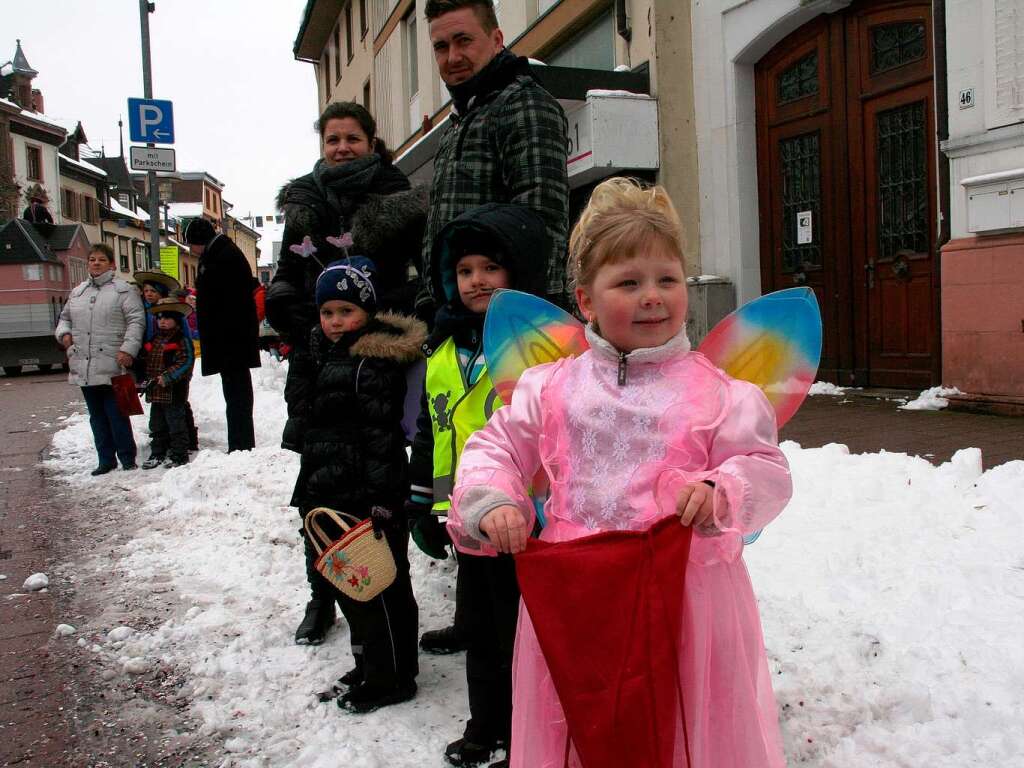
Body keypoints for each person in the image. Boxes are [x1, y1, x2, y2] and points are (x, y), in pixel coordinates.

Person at [448, 178, 794, 768]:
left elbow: (766, 468)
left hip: (686, 603)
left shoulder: (719, 396)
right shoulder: (552, 388)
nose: (652, 297)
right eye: (628, 283)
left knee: (679, 731)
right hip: (578, 601)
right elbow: (497, 445)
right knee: (581, 729)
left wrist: (721, 490)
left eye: (667, 279)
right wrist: (493, 499)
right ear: (586, 300)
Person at [269, 100, 428, 644]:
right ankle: (322, 594)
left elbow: (417, 275)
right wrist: (299, 315)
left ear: (371, 142)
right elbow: (288, 272)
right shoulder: (304, 202)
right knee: (319, 483)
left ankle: (378, 587)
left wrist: (377, 315)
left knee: (372, 476)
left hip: (377, 355)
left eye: (351, 139)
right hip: (319, 353)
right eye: (332, 139)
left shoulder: (396, 196)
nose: (341, 148)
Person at [407, 203, 547, 767]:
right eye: (465, 271)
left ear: (516, 274)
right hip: (468, 522)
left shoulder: (538, 347)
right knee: (482, 632)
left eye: (490, 267)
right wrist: (423, 503)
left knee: (521, 633)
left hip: (526, 522)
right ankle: (485, 723)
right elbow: (431, 431)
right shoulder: (442, 350)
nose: (477, 281)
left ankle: (526, 731)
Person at [287, 257, 425, 712]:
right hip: (330, 487)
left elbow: (380, 437)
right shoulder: (326, 353)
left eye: (346, 311)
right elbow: (309, 421)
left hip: (368, 496)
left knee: (382, 590)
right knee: (353, 588)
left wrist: (382, 501)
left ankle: (393, 677)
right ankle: (371, 664)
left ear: (366, 311)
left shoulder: (373, 361)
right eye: (327, 313)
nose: (334, 322)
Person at [419, 0, 569, 318]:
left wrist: (525, 320)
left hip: (506, 322)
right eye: (441, 47)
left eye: (464, 40)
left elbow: (542, 225)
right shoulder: (461, 120)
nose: (453, 57)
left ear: (497, 39)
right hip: (460, 317)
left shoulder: (522, 103)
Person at [55, 244, 145, 475]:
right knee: (97, 417)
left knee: (117, 414)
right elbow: (64, 318)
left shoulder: (124, 291)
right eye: (92, 259)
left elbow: (136, 322)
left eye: (101, 260)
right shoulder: (78, 293)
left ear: (112, 264)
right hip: (84, 363)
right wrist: (64, 335)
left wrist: (128, 350)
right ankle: (105, 459)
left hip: (114, 362)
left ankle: (126, 457)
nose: (96, 263)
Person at [185, 217, 261, 452]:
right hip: (232, 339)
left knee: (237, 395)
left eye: (191, 245)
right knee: (236, 393)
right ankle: (239, 443)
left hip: (231, 339)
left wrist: (199, 301)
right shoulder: (222, 253)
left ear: (199, 241)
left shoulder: (221, 256)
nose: (191, 251)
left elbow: (224, 299)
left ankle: (241, 444)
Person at [136, 271, 200, 452]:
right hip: (157, 368)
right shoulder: (148, 311)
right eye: (146, 290)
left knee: (177, 410)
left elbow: (185, 349)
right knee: (161, 414)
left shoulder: (174, 315)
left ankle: (184, 444)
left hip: (174, 369)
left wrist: (179, 372)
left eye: (153, 291)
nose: (148, 294)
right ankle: (163, 445)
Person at [139, 298, 195, 469]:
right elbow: (146, 361)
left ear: (176, 320)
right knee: (156, 424)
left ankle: (180, 454)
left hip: (173, 391)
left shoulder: (181, 340)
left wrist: (168, 377)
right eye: (160, 318)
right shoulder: (154, 339)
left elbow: (185, 362)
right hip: (156, 392)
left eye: (167, 318)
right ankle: (158, 452)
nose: (162, 321)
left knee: (176, 424)